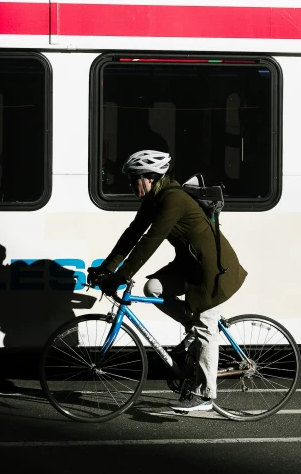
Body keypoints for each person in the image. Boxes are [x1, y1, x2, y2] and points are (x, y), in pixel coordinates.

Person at [87, 149, 247, 413]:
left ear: (150, 177)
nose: (130, 184)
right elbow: (132, 235)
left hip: (213, 269)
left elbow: (150, 242)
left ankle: (205, 394)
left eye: (133, 178)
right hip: (189, 264)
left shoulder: (172, 199)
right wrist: (106, 268)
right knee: (153, 288)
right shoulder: (155, 198)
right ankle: (191, 326)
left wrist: (121, 277)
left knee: (206, 326)